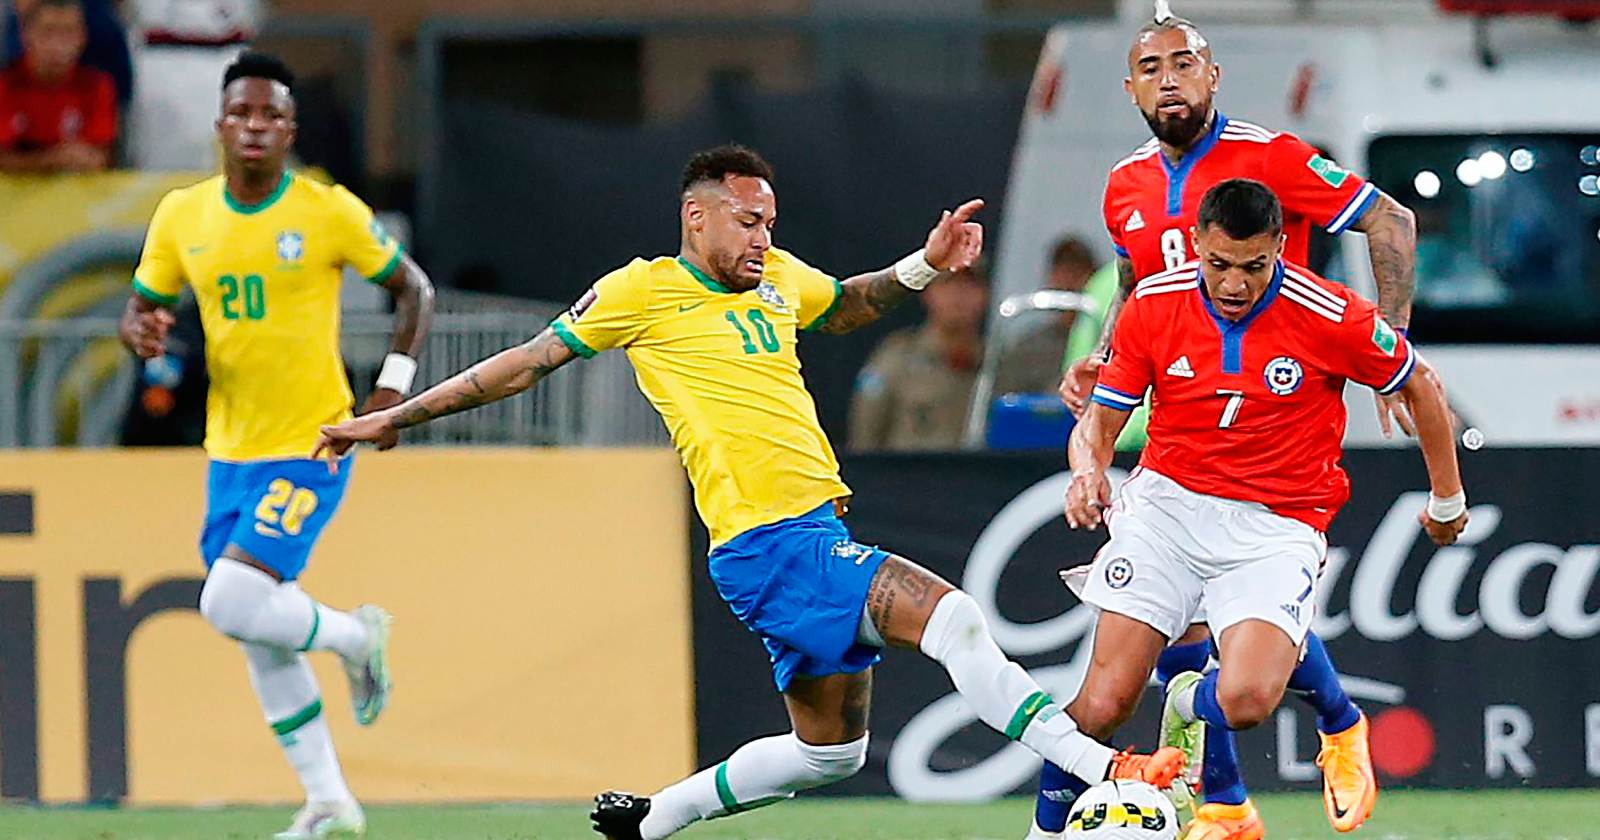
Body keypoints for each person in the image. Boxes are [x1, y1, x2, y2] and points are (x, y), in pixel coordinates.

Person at [313, 144, 1186, 840]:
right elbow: (525, 363)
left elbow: (843, 304)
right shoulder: (641, 291)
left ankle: (652, 819)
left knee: (830, 756)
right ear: (696, 217)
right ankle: (1105, 771)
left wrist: (923, 266)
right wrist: (396, 415)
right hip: (771, 543)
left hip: (804, 534)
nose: (763, 237)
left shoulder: (773, 279)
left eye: (770, 221)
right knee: (953, 620)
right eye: (747, 220)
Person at [1032, 13, 1424, 839]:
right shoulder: (1125, 185)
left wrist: (1391, 340)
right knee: (1175, 630)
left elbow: (1389, 219)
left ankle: (1325, 729)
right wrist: (1105, 354)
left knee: (1227, 629)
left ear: (1213, 76)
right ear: (1131, 88)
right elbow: (1137, 284)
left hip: (1278, 416)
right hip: (1179, 423)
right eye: (1152, 68)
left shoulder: (1271, 157)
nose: (1169, 79)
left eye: (1185, 63)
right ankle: (1225, 801)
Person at [1066, 179, 1465, 839]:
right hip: (1167, 509)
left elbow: (1420, 382)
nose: (1234, 283)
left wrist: (1447, 498)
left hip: (1275, 523)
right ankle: (1048, 830)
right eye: (1219, 264)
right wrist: (1087, 470)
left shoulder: (1330, 313)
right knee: (1101, 706)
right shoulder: (1153, 304)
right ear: (1197, 242)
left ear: (1280, 245)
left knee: (1247, 700)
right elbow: (1102, 420)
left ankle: (1201, 705)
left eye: (1252, 266)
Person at [116, 51, 436, 839]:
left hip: (313, 440)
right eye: (242, 114)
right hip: (229, 449)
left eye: (272, 116)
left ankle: (357, 636)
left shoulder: (326, 210)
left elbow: (414, 289)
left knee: (227, 600)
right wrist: (139, 330)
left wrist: (392, 388)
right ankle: (330, 800)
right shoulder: (183, 214)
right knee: (257, 626)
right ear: (219, 126)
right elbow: (142, 307)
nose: (255, 127)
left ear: (291, 131)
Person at [848, 265, 987, 451]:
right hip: (909, 466)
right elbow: (866, 432)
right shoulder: (897, 356)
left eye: (969, 286)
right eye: (947, 285)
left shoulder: (997, 363)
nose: (958, 296)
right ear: (928, 293)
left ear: (985, 294)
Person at [0, 0, 117, 172]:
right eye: (48, 32)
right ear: (26, 35)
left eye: (68, 33)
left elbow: (102, 156)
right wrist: (52, 160)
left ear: (82, 37)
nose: (58, 45)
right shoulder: (5, 85)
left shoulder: (97, 86)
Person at [992, 236, 1098, 396]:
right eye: (1062, 271)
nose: (1069, 280)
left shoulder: (1102, 343)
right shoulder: (1028, 347)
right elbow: (1004, 400)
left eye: (1078, 271)